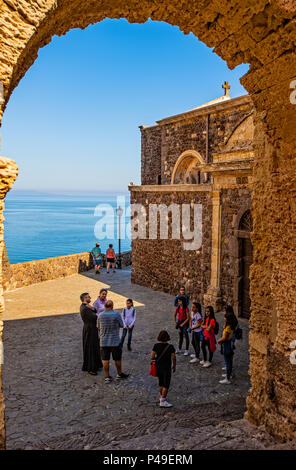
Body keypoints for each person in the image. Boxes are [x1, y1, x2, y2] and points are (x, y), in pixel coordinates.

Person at [97, 299, 129, 383]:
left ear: (105, 306)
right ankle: (119, 374)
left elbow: (98, 327)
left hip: (103, 341)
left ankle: (107, 377)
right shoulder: (116, 314)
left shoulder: (100, 315)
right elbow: (122, 325)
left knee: (105, 360)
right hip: (115, 341)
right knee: (117, 359)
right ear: (112, 306)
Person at [151, 330, 176, 408]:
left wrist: (157, 358)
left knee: (161, 382)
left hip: (158, 366)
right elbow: (174, 357)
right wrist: (174, 366)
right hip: (166, 367)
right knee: (166, 384)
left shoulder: (156, 345)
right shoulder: (170, 347)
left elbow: (152, 357)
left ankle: (162, 397)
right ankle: (163, 400)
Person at [80, 292, 103, 375]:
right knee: (90, 348)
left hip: (91, 329)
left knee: (94, 347)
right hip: (89, 330)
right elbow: (95, 317)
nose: (90, 298)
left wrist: (92, 308)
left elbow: (95, 311)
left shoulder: (86, 306)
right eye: (88, 297)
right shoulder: (85, 308)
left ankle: (96, 365)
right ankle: (90, 368)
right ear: (85, 298)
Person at [217, 309, 237, 384]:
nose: (224, 318)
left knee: (228, 361)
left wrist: (219, 341)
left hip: (227, 344)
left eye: (225, 317)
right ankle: (229, 374)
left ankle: (227, 378)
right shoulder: (229, 326)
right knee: (229, 361)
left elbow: (225, 337)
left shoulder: (228, 328)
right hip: (229, 344)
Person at [221, 305, 238, 375]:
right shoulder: (232, 318)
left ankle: (228, 369)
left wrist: (220, 341)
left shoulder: (229, 319)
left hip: (229, 338)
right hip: (231, 337)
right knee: (229, 353)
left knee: (227, 353)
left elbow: (224, 328)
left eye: (225, 310)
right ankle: (228, 367)